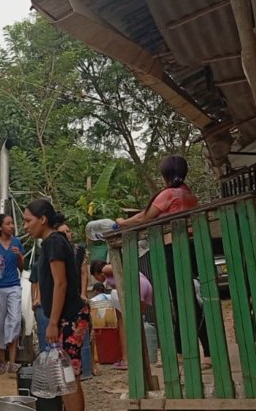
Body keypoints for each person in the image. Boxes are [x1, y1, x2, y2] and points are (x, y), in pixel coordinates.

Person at [116, 155, 210, 360]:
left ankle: (181, 351)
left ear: (164, 174)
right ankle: (199, 351)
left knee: (181, 299)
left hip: (171, 249)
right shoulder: (188, 194)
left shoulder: (168, 194)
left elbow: (145, 216)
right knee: (189, 299)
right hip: (189, 246)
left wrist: (122, 222)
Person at [23, 199, 88, 411]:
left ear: (42, 220)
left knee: (69, 377)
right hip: (66, 317)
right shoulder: (53, 242)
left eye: (28, 220)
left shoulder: (53, 243)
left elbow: (61, 283)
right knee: (66, 375)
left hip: (69, 318)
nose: (25, 226)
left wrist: (52, 323)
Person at [90, 260, 153, 370]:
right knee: (136, 324)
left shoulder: (105, 269)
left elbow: (121, 267)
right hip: (145, 285)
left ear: (96, 273)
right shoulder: (111, 277)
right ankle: (138, 358)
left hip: (137, 285)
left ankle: (126, 359)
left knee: (122, 321)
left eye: (95, 277)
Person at [0, 214, 24, 375]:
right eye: (8, 224)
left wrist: (18, 256)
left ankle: (12, 362)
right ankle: (3, 362)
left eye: (12, 224)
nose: (12, 226)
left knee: (14, 319)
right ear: (0, 227)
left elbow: (22, 267)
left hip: (13, 285)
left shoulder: (17, 243)